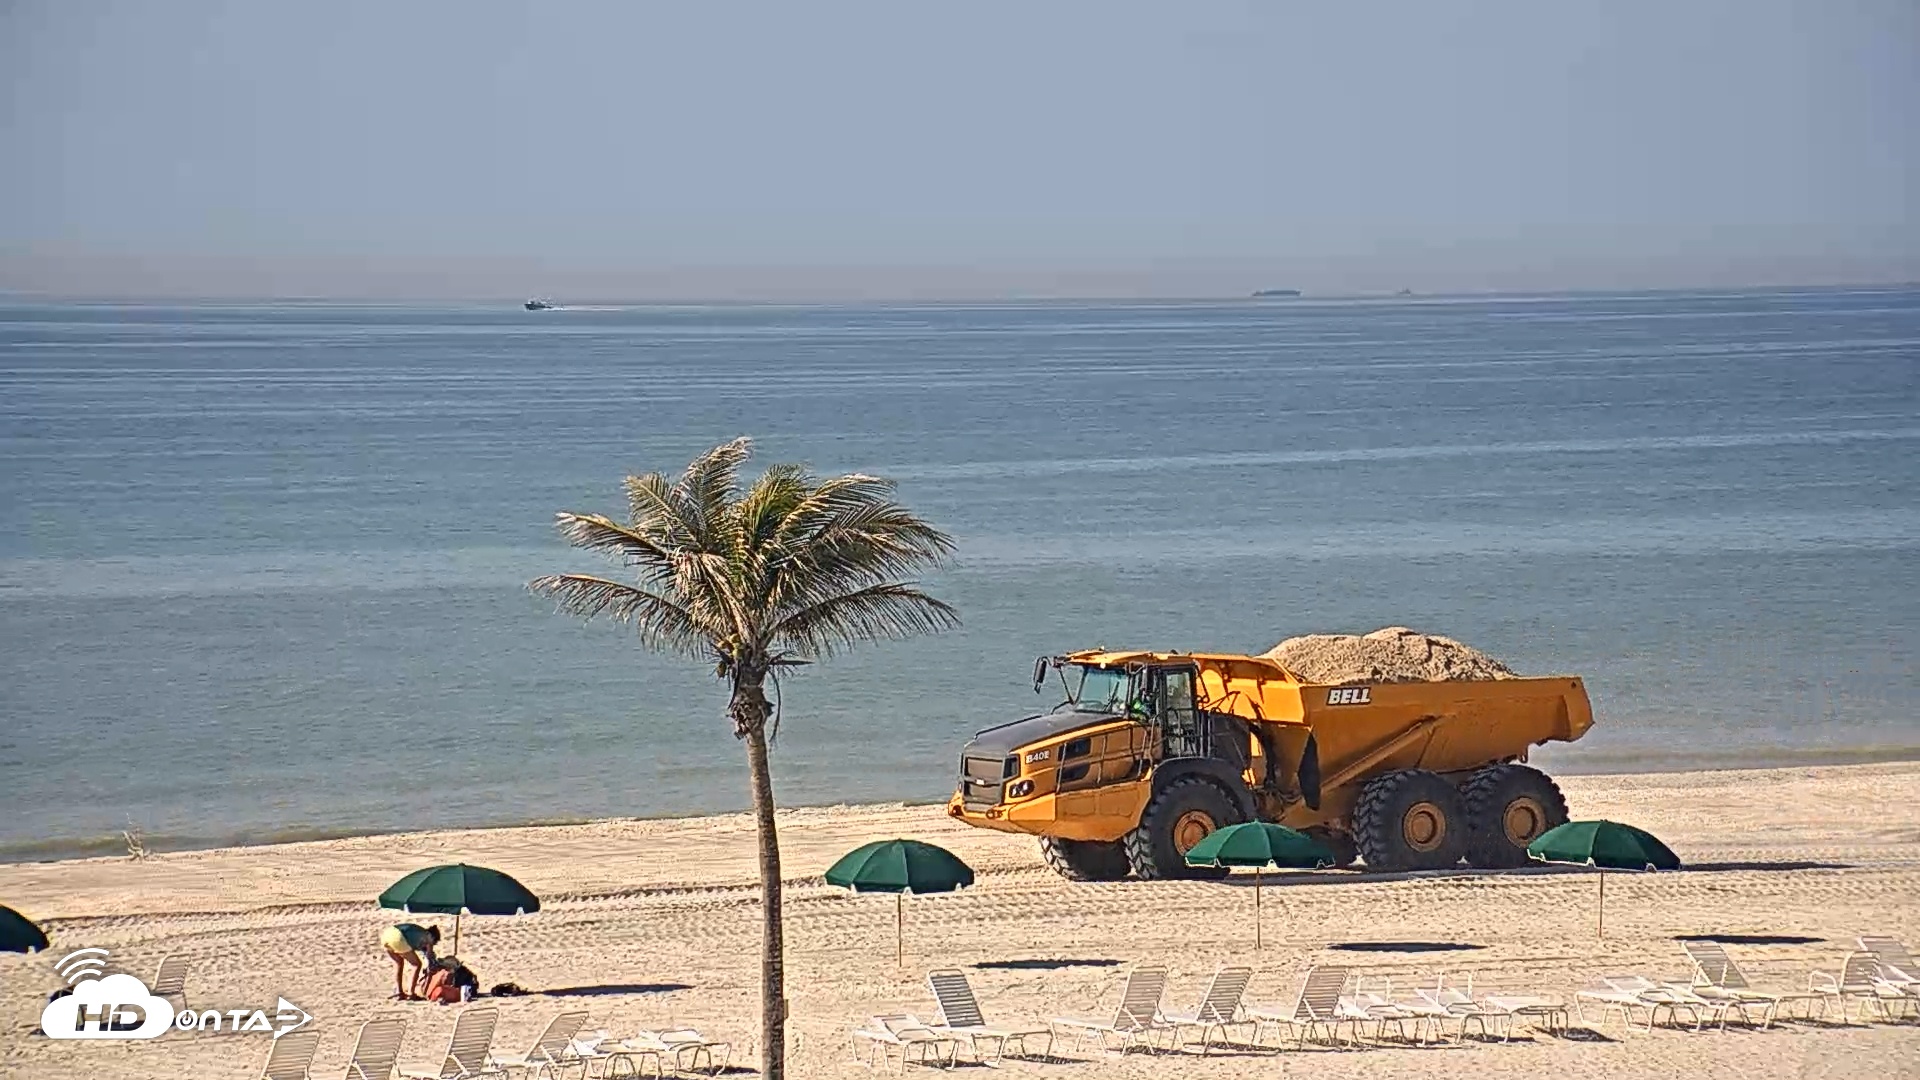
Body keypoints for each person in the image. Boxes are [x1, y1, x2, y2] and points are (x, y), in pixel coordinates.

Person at [378, 922, 440, 1000]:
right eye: (434, 942)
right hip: (398, 937)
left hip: (386, 935)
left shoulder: (419, 934)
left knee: (398, 963)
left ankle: (399, 992)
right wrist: (430, 951)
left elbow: (419, 948)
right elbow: (429, 954)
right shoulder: (427, 936)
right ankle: (411, 993)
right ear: (432, 937)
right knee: (416, 965)